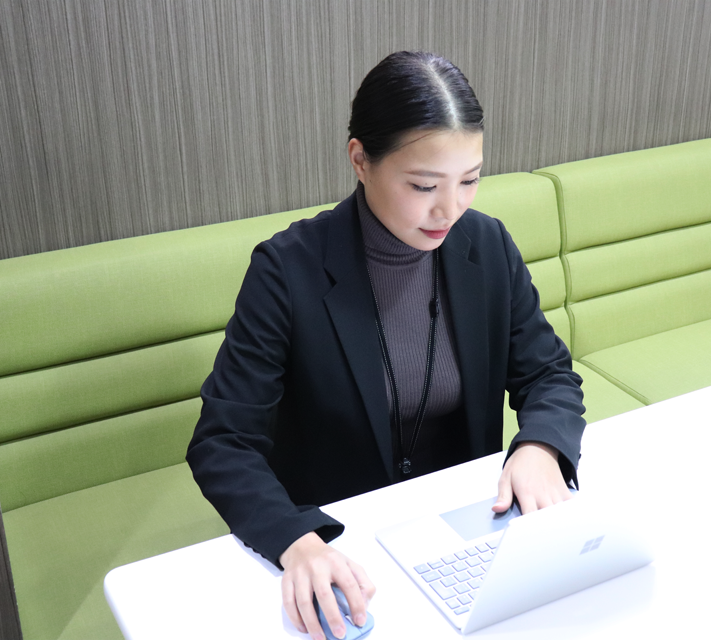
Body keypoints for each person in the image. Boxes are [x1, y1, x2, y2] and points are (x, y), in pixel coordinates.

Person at [187, 50, 585, 640]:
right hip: (341, 545)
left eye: (469, 180)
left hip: (464, 529)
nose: (450, 209)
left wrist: (541, 446)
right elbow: (223, 442)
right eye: (423, 185)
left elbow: (547, 373)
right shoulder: (286, 270)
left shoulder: (486, 245)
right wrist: (296, 541)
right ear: (360, 160)